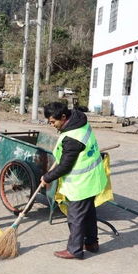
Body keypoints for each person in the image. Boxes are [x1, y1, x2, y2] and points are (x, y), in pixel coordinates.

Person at [41, 102, 107, 259]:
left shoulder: (72, 138)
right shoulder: (80, 123)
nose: (52, 125)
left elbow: (64, 166)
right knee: (89, 214)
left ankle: (74, 250)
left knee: (75, 217)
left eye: (53, 122)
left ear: (63, 117)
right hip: (93, 178)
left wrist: (47, 177)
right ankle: (91, 243)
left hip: (82, 182)